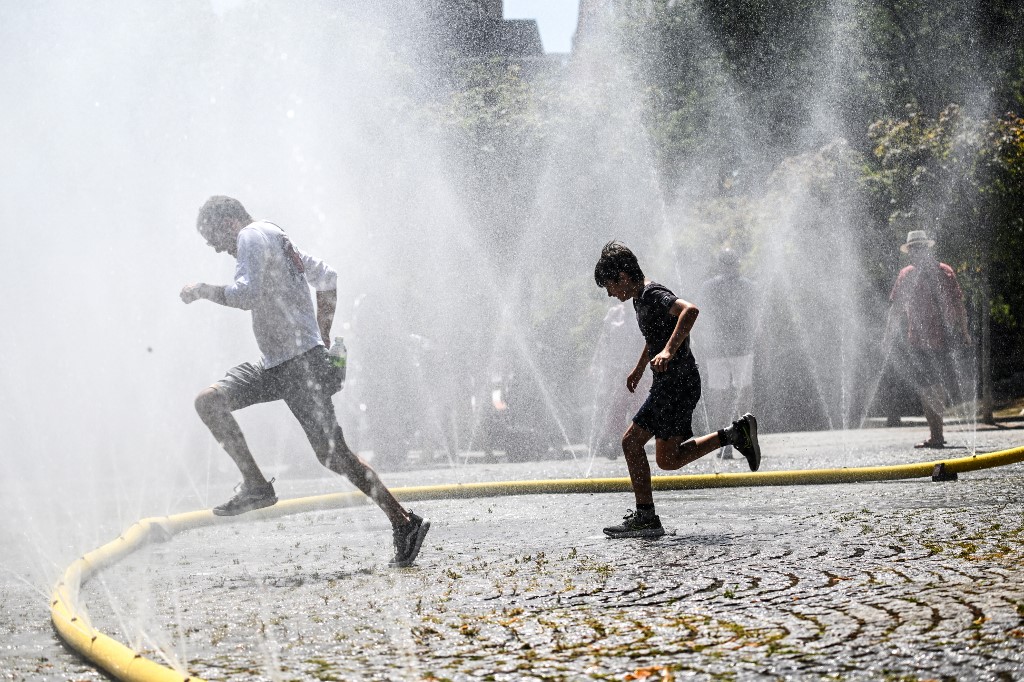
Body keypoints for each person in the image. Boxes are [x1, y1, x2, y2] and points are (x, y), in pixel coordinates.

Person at [180, 196, 430, 567]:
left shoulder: (250, 235)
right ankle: (256, 486)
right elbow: (327, 278)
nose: (217, 248)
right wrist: (322, 336)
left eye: (213, 237)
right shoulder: (276, 235)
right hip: (278, 365)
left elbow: (246, 295)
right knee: (210, 402)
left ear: (229, 222)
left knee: (334, 456)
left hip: (298, 367)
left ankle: (404, 522)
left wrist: (203, 290)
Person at [593, 241, 762, 538]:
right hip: (673, 384)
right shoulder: (638, 299)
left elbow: (690, 311)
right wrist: (639, 367)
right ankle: (735, 434)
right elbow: (655, 334)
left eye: (609, 285)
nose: (609, 293)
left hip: (676, 384)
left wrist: (670, 352)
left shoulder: (653, 293)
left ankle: (646, 518)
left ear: (622, 275)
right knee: (667, 460)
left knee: (631, 443)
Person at [886, 230, 971, 449]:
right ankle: (935, 435)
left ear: (926, 249)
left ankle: (937, 434)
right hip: (917, 340)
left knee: (935, 387)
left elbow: (958, 304)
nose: (916, 252)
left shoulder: (945, 272)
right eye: (913, 249)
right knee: (927, 388)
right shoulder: (906, 275)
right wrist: (888, 336)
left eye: (920, 248)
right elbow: (895, 309)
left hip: (942, 338)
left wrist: (964, 331)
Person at [696, 247, 758, 459]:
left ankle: (745, 439)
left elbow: (755, 317)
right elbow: (703, 318)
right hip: (719, 350)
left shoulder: (747, 287)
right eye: (727, 262)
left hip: (740, 349)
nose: (731, 266)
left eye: (733, 262)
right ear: (720, 264)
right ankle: (724, 442)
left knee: (742, 395)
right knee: (721, 397)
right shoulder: (710, 287)